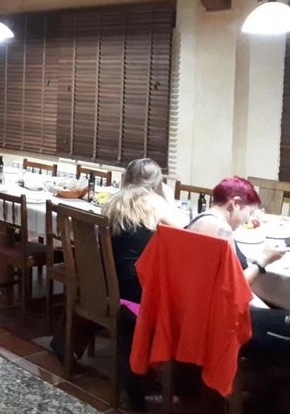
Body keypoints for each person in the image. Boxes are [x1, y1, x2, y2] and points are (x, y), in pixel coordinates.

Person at [100, 158, 186, 411]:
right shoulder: (154, 204)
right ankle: (184, 382)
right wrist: (166, 198)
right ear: (157, 182)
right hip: (139, 293)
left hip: (114, 285)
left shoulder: (112, 202)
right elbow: (183, 229)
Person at [186, 176, 290, 361]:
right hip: (224, 325)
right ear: (235, 204)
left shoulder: (197, 221)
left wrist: (267, 310)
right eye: (250, 212)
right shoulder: (221, 231)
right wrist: (263, 260)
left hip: (196, 318)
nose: (249, 218)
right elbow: (234, 290)